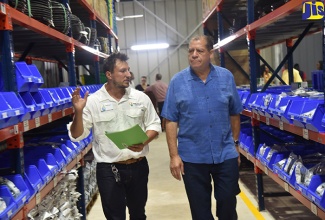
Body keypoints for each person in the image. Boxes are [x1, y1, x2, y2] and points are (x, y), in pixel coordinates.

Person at [67, 52, 161, 219]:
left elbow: (155, 124)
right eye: (122, 71)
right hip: (109, 169)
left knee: (138, 214)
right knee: (115, 217)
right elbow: (77, 135)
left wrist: (144, 140)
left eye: (128, 70)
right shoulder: (93, 101)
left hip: (138, 166)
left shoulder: (140, 98)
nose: (128, 75)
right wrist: (78, 112)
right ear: (109, 75)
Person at [161, 35, 243, 220]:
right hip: (193, 157)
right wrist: (174, 156)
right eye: (191, 51)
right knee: (200, 212)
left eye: (200, 51)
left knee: (228, 204)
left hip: (225, 154)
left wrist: (235, 144)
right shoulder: (177, 81)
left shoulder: (226, 77)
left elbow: (234, 113)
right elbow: (171, 120)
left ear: (211, 53)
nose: (194, 55)